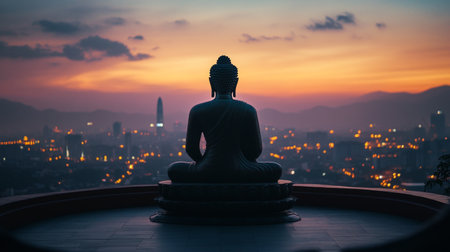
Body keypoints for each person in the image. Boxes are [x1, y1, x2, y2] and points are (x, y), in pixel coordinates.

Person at [168, 55, 282, 183]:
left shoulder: (198, 110)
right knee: (276, 169)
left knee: (173, 169)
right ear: (236, 82)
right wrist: (243, 161)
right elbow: (255, 151)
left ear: (211, 82)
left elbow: (191, 150)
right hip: (241, 169)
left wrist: (203, 163)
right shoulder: (248, 110)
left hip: (207, 169)